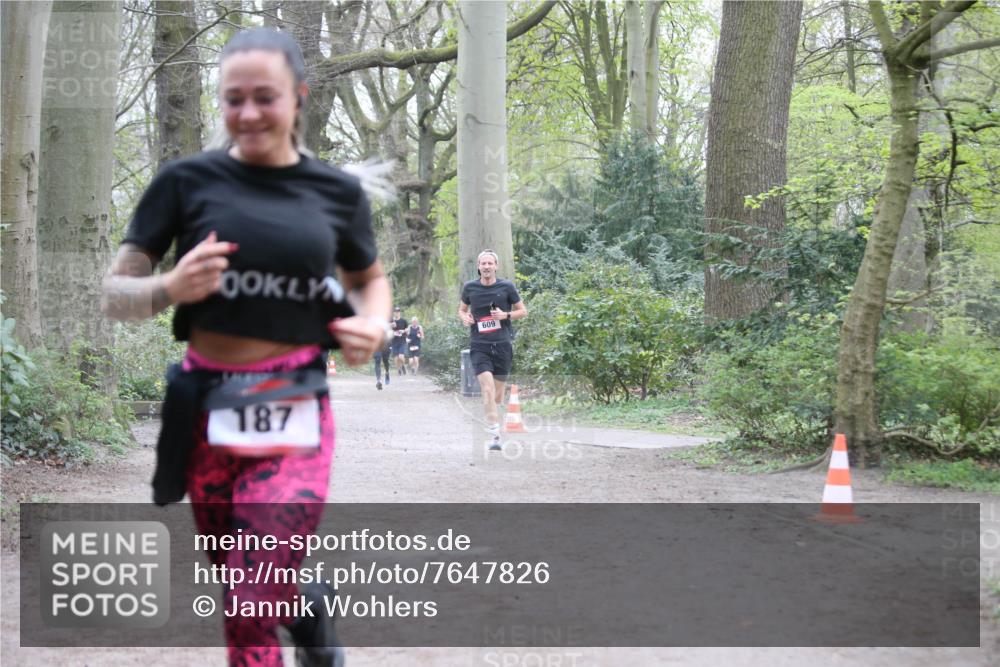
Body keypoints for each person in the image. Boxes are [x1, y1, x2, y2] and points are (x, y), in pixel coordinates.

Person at [101, 27, 392, 667]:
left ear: (299, 98)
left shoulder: (335, 193)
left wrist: (374, 325)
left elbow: (370, 281)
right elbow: (113, 294)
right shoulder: (183, 183)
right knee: (240, 573)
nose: (250, 113)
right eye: (235, 99)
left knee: (249, 598)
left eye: (267, 97)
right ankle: (309, 610)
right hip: (206, 404)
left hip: (295, 404)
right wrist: (171, 285)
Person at [458, 250, 527, 450]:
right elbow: (461, 310)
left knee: (497, 395)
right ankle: (495, 434)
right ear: (478, 267)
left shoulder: (506, 286)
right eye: (483, 263)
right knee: (487, 389)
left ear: (496, 266)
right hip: (479, 345)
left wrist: (505, 315)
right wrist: (464, 317)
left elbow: (523, 311)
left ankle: (495, 419)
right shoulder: (470, 287)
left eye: (490, 263)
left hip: (503, 344)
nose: (486, 266)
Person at [390, 306, 409, 375]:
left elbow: (407, 330)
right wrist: (391, 326)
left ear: (400, 313)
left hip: (402, 341)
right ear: (393, 313)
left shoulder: (404, 321)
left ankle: (403, 365)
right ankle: (399, 370)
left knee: (401, 357)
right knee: (396, 358)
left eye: (398, 312)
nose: (396, 313)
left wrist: (403, 331)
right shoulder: (391, 321)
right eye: (395, 312)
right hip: (394, 341)